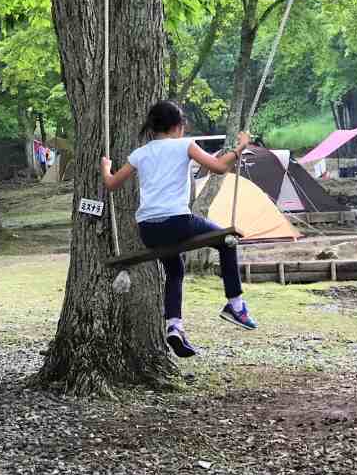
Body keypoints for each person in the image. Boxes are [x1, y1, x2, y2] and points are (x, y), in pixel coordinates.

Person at [101, 101, 257, 358]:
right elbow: (218, 167)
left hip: (148, 230)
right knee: (227, 239)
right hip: (177, 222)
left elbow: (111, 184)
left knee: (175, 269)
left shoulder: (140, 153)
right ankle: (235, 305)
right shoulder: (185, 145)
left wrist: (106, 168)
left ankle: (174, 325)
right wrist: (240, 148)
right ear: (177, 126)